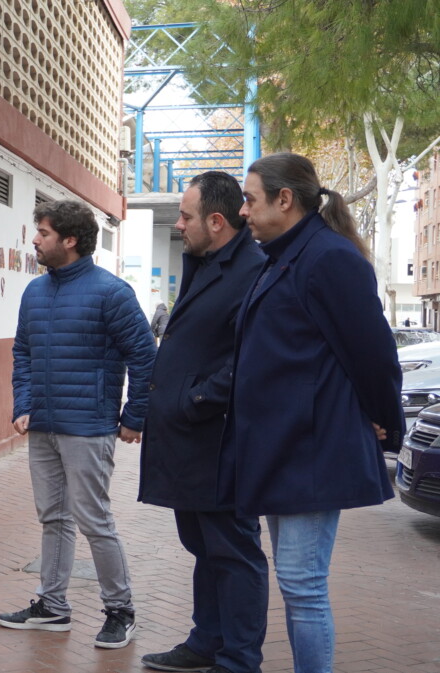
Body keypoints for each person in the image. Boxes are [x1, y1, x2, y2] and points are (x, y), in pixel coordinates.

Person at [226, 153, 403, 673]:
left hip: (311, 448)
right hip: (284, 445)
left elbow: (373, 354)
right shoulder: (284, 256)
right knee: (296, 584)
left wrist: (384, 419)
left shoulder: (329, 258)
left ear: (285, 200)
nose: (242, 211)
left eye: (250, 199)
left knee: (303, 585)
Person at [0, 199, 157, 649]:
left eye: (43, 233)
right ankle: (52, 606)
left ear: (70, 240)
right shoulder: (34, 292)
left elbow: (145, 356)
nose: (34, 240)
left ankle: (120, 610)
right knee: (53, 518)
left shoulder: (112, 292)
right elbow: (23, 352)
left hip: (89, 426)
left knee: (94, 520)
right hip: (43, 426)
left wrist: (134, 416)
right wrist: (23, 404)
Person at [137, 172, 267, 673]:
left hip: (219, 441)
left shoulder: (252, 270)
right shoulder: (205, 262)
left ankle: (238, 659)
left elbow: (250, 358)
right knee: (202, 547)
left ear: (216, 221)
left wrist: (196, 399)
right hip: (189, 441)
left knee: (233, 552)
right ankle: (205, 642)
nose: (178, 224)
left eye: (185, 216)